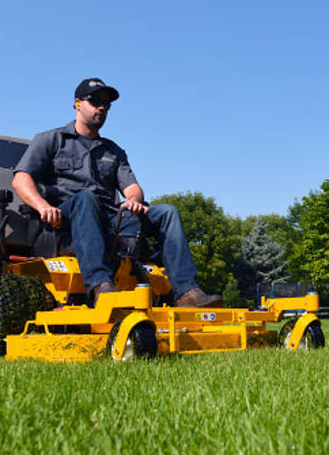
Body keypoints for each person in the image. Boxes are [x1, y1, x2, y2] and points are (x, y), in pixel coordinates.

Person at [11, 78, 222, 307]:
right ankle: (101, 285)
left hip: (108, 220)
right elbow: (21, 179)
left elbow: (133, 188)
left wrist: (132, 200)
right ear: (77, 103)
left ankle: (186, 291)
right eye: (95, 101)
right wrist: (44, 207)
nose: (101, 107)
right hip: (65, 221)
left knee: (167, 213)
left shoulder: (114, 151)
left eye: (107, 105)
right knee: (86, 198)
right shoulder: (51, 140)